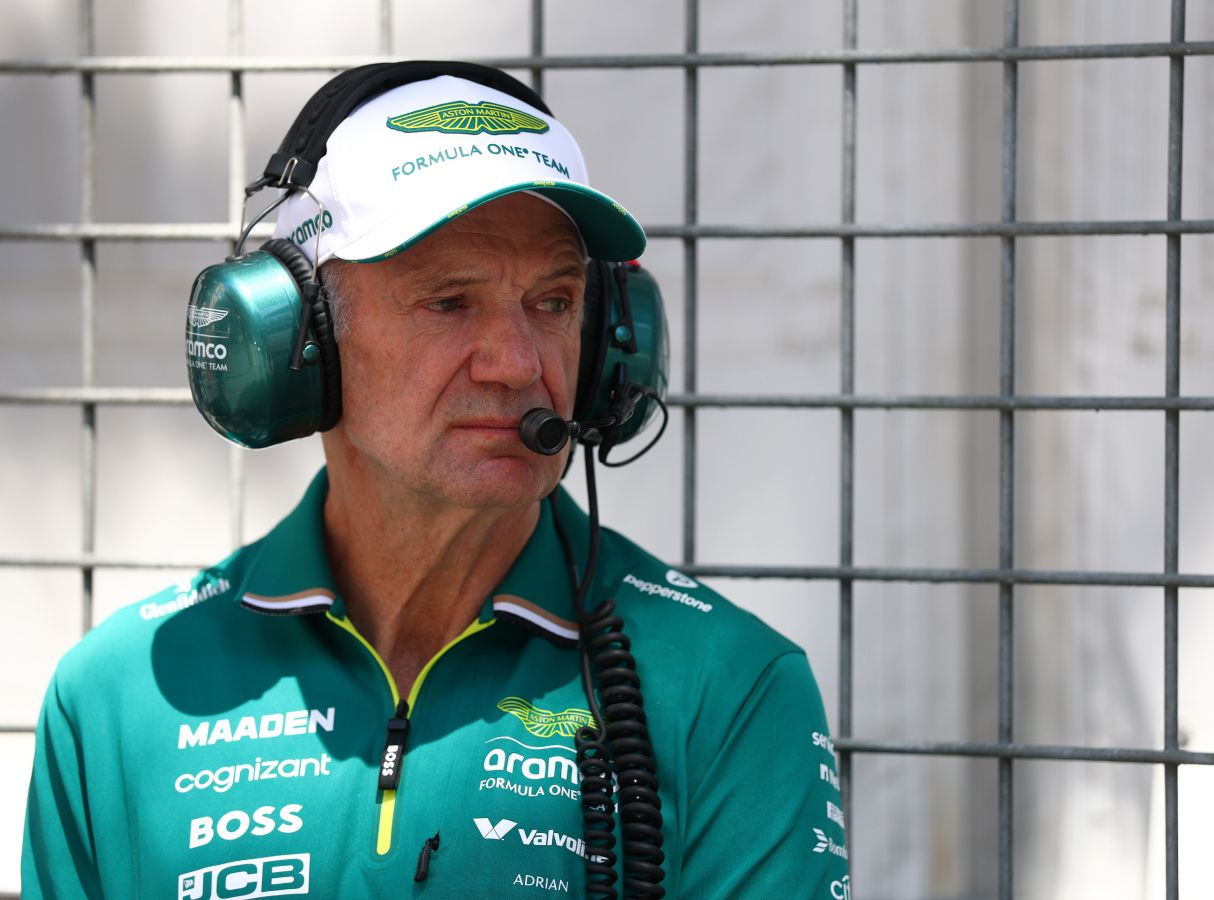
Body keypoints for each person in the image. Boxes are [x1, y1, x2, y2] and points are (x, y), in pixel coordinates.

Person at [22, 63, 850, 899]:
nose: (517, 363)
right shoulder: (117, 700)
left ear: (608, 341)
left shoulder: (731, 688)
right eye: (449, 302)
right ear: (301, 338)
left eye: (554, 303)